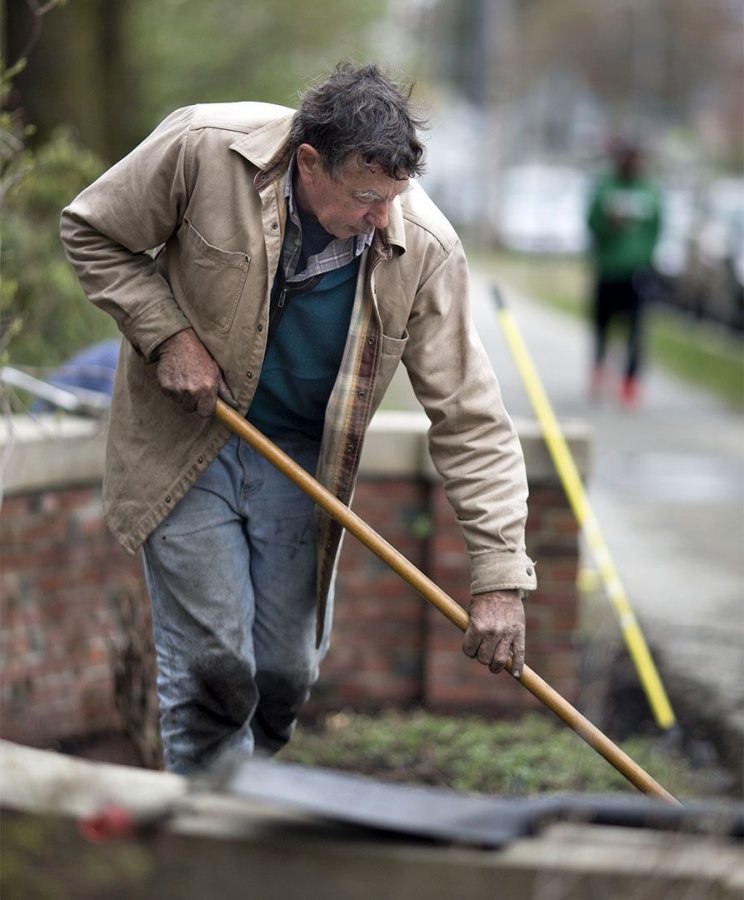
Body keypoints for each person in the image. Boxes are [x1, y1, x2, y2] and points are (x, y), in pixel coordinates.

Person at [60, 63, 537, 774]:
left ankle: (246, 789)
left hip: (300, 465)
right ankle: (207, 836)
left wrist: (499, 577)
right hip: (189, 444)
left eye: (395, 198)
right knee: (214, 667)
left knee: (284, 676)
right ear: (309, 163)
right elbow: (93, 232)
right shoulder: (202, 149)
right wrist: (168, 335)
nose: (384, 219)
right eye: (367, 197)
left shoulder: (424, 248)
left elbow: (470, 419)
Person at [586, 141, 663, 406]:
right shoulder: (605, 188)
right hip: (608, 269)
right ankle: (599, 370)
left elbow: (657, 228)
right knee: (601, 326)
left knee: (636, 330)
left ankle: (630, 382)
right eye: (626, 158)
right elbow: (590, 222)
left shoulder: (650, 192)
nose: (630, 164)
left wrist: (648, 258)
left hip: (637, 273)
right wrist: (608, 225)